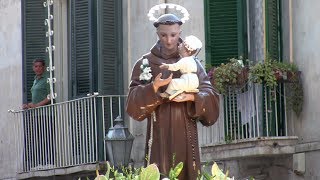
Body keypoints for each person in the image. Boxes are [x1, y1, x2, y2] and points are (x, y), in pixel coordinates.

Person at [126, 10, 220, 180]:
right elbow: (132, 102)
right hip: (158, 132)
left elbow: (210, 95)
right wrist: (153, 88)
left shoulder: (193, 64)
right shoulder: (145, 63)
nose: (169, 40)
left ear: (180, 33)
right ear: (157, 34)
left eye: (173, 35)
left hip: (186, 130)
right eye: (163, 35)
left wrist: (192, 97)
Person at [22, 58, 53, 170]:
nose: (38, 68)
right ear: (33, 68)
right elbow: (35, 99)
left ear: (44, 68)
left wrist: (37, 105)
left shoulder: (46, 80)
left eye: (40, 66)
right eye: (36, 66)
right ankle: (40, 162)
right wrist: (28, 105)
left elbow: (50, 96)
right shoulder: (35, 80)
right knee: (38, 139)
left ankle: (48, 161)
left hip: (46, 114)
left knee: (46, 138)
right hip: (36, 115)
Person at [159, 35, 202, 100]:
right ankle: (175, 92)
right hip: (194, 82)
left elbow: (175, 67)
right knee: (178, 84)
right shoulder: (193, 59)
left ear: (186, 51)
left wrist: (167, 66)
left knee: (173, 82)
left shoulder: (184, 60)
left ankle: (167, 93)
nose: (179, 45)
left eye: (181, 45)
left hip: (188, 81)